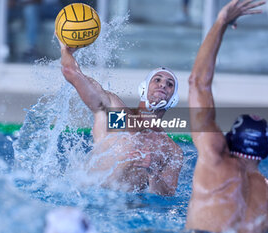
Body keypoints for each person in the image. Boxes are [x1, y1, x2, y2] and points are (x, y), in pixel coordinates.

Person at [186, 0, 268, 232]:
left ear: (229, 138)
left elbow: (197, 82)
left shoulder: (214, 156)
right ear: (267, 150)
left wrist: (221, 22)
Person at [58, 40, 183, 196]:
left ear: (174, 99)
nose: (163, 85)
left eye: (169, 84)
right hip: (88, 197)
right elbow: (71, 72)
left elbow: (168, 196)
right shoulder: (116, 113)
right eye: (157, 80)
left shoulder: (171, 150)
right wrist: (66, 51)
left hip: (127, 210)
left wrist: (153, 172)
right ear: (143, 88)